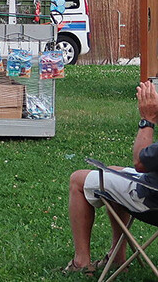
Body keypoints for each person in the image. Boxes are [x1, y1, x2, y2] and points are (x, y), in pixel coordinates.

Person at [65, 81, 158, 274]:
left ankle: (81, 261)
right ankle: (117, 256)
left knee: (77, 180)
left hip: (151, 201)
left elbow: (140, 162)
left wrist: (148, 119)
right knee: (114, 172)